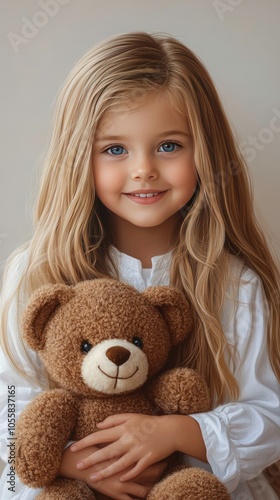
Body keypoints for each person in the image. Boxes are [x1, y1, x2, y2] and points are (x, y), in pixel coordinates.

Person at [0, 31, 280, 500]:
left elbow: (269, 417)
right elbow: (8, 405)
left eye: (169, 146)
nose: (143, 169)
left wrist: (173, 434)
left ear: (205, 152)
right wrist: (80, 464)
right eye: (115, 149)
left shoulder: (234, 285)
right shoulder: (36, 274)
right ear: (78, 159)